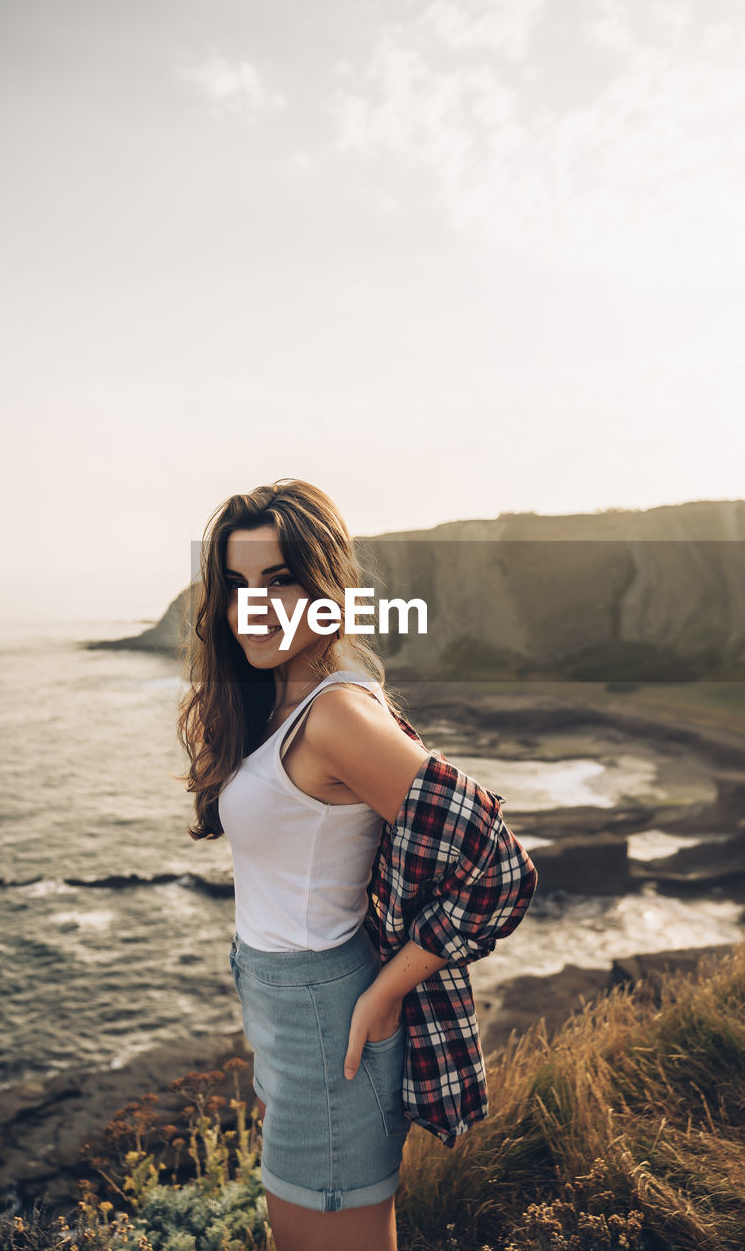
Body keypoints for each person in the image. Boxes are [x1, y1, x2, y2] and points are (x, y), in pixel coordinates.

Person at [176, 478, 538, 1251]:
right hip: (288, 1011)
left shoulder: (337, 716)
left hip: (325, 1017)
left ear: (327, 588)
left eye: (281, 580)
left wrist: (383, 992)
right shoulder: (276, 705)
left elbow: (499, 867)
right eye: (238, 586)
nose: (257, 607)